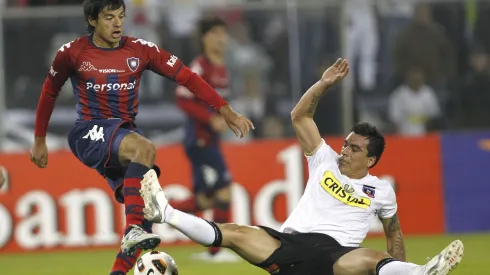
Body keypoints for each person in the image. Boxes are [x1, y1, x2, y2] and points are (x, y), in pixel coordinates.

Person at [138, 58, 464, 275]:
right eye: (346, 143)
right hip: (290, 246)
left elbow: (394, 234)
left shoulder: (381, 190)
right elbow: (300, 116)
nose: (345, 150)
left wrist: (400, 268)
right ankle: (162, 211)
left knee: (373, 258)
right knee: (235, 233)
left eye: (354, 148)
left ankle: (421, 273)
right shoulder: (324, 160)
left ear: (371, 160)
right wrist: (322, 84)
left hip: (335, 257)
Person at [28, 1, 254, 275]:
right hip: (89, 132)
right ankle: (133, 229)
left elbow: (186, 77)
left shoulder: (140, 49)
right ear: (92, 20)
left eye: (120, 16)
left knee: (145, 212)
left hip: (123, 136)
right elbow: (49, 91)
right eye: (109, 17)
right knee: (144, 148)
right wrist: (39, 139)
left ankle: (120, 267)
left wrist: (224, 109)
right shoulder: (72, 53)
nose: (117, 23)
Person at [173, 17, 238, 262]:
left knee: (203, 199)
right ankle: (215, 252)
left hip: (210, 140)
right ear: (204, 38)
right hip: (200, 140)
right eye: (215, 33)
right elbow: (181, 97)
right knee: (224, 190)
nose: (221, 38)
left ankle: (157, 212)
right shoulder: (200, 66)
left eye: (223, 33)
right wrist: (210, 119)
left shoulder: (222, 66)